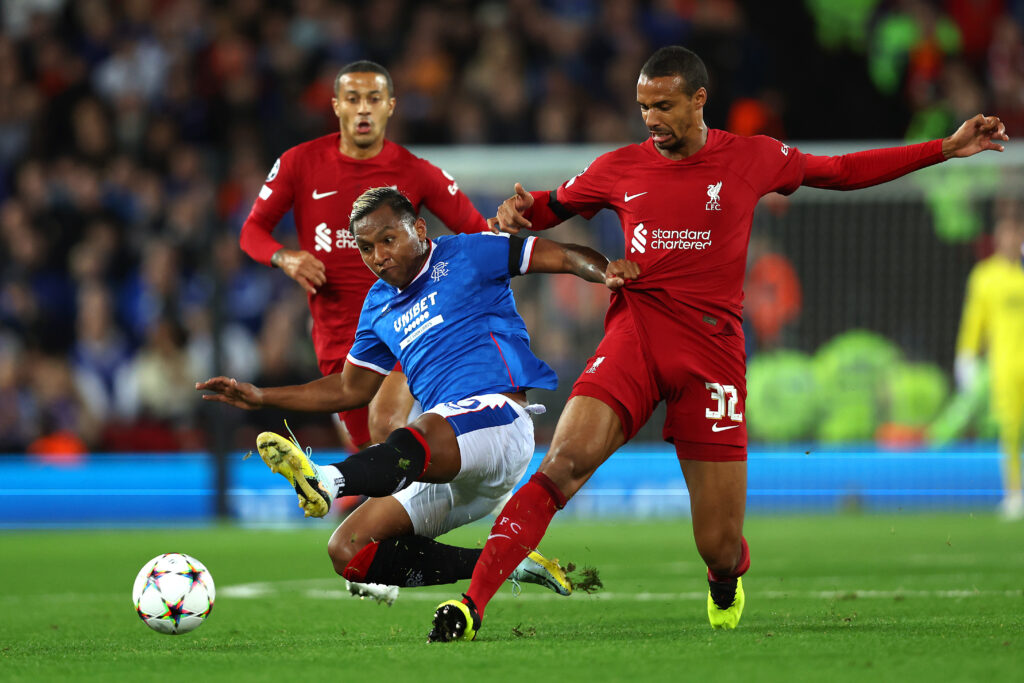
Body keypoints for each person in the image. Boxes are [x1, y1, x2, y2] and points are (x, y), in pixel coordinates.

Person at [426, 45, 1009, 642]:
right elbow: (553, 206)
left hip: (711, 358)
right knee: (564, 464)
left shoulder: (753, 158)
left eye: (664, 105)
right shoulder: (621, 167)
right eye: (643, 106)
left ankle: (726, 577)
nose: (651, 119)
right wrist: (522, 211)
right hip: (635, 340)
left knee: (719, 545)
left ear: (700, 99)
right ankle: (471, 607)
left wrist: (944, 149)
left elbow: (840, 173)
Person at [199, 187, 638, 604]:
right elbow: (350, 388)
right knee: (347, 550)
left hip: (499, 420)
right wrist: (261, 396)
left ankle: (327, 480)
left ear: (420, 230)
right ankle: (508, 562)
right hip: (449, 461)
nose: (379, 257)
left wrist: (607, 272)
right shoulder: (377, 305)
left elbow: (560, 256)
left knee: (415, 431)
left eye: (388, 239)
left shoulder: (468, 252)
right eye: (367, 248)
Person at [239, 60, 486, 451]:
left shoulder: (416, 172)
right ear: (336, 105)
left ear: (390, 105)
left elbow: (479, 235)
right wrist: (285, 258)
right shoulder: (299, 163)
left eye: (374, 98)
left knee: (386, 428)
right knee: (374, 453)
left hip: (408, 327)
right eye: (353, 99)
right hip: (340, 342)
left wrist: (443, 280)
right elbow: (252, 232)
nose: (364, 108)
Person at [954, 215, 1024, 520]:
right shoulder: (985, 276)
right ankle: (1013, 494)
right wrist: (966, 355)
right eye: (1005, 232)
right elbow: (974, 320)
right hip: (1005, 366)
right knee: (1009, 430)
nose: (1010, 239)